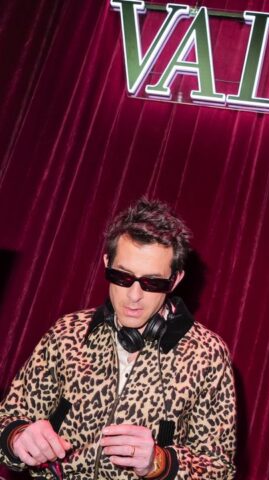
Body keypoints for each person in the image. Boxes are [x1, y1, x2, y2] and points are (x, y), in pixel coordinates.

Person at [0, 198, 237, 479]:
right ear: (106, 263)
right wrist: (17, 437)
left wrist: (159, 463)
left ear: (175, 280)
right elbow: (7, 418)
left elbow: (220, 469)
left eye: (153, 282)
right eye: (122, 277)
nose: (134, 296)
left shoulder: (207, 355)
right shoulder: (68, 332)